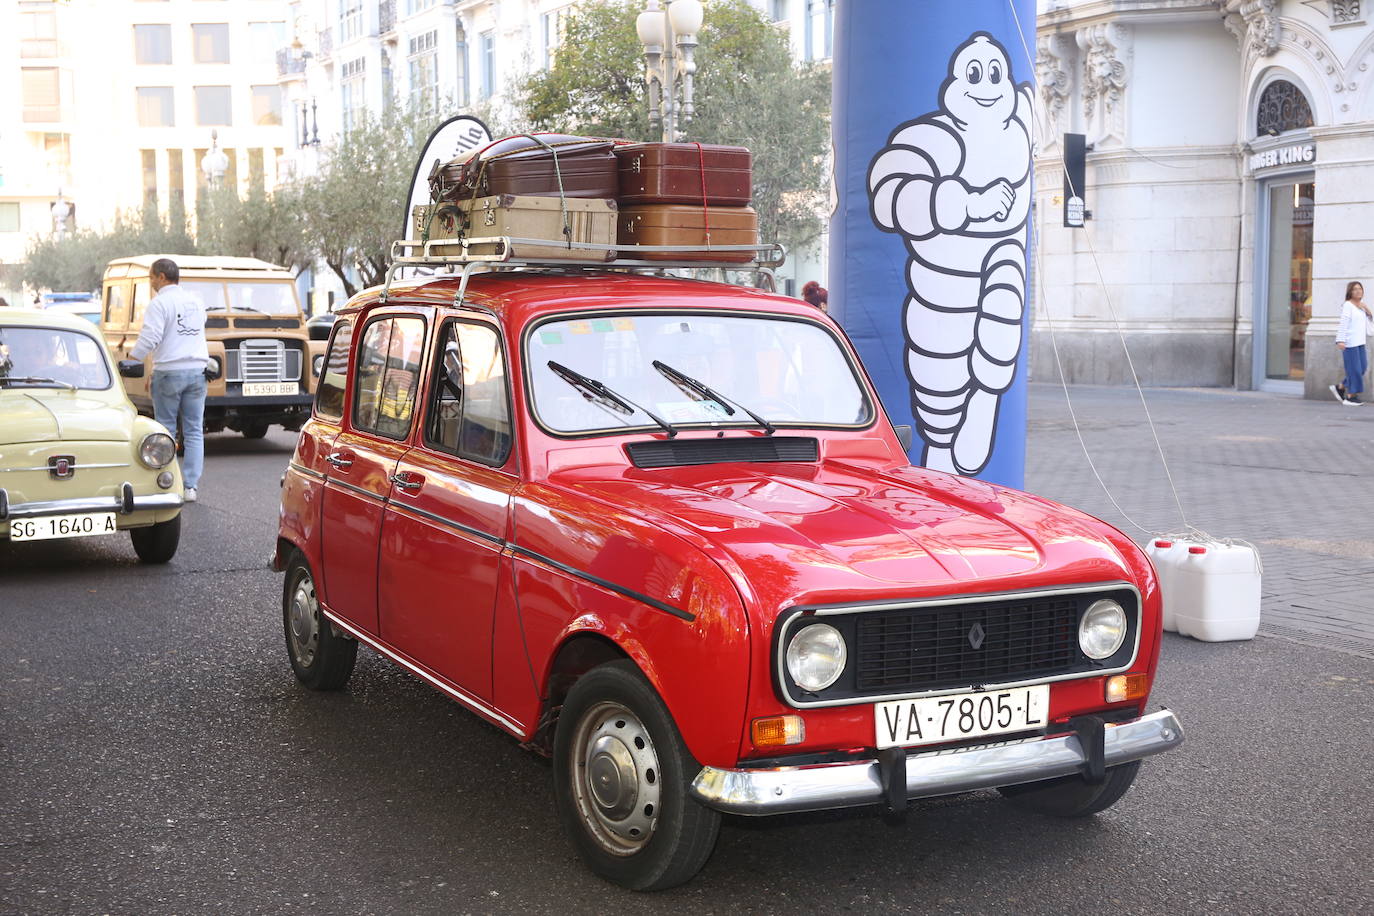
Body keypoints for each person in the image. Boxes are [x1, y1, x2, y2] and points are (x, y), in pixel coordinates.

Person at [129, 258, 209, 501]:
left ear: (162, 277)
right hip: (197, 371)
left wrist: (133, 359)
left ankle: (168, 482)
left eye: (152, 277)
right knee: (194, 430)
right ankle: (191, 487)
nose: (151, 282)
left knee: (165, 429)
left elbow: (151, 337)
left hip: (170, 373)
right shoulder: (196, 302)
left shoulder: (159, 303)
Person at [1332, 280, 1372, 406]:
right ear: (1350, 292)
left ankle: (1341, 386)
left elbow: (1370, 324)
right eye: (1354, 289)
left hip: (1360, 342)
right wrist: (1340, 340)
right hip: (1349, 343)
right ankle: (1350, 396)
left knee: (1362, 368)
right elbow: (1343, 324)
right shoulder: (1348, 305)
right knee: (1354, 370)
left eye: (1360, 288)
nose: (1358, 291)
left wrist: (1367, 309)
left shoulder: (1361, 306)